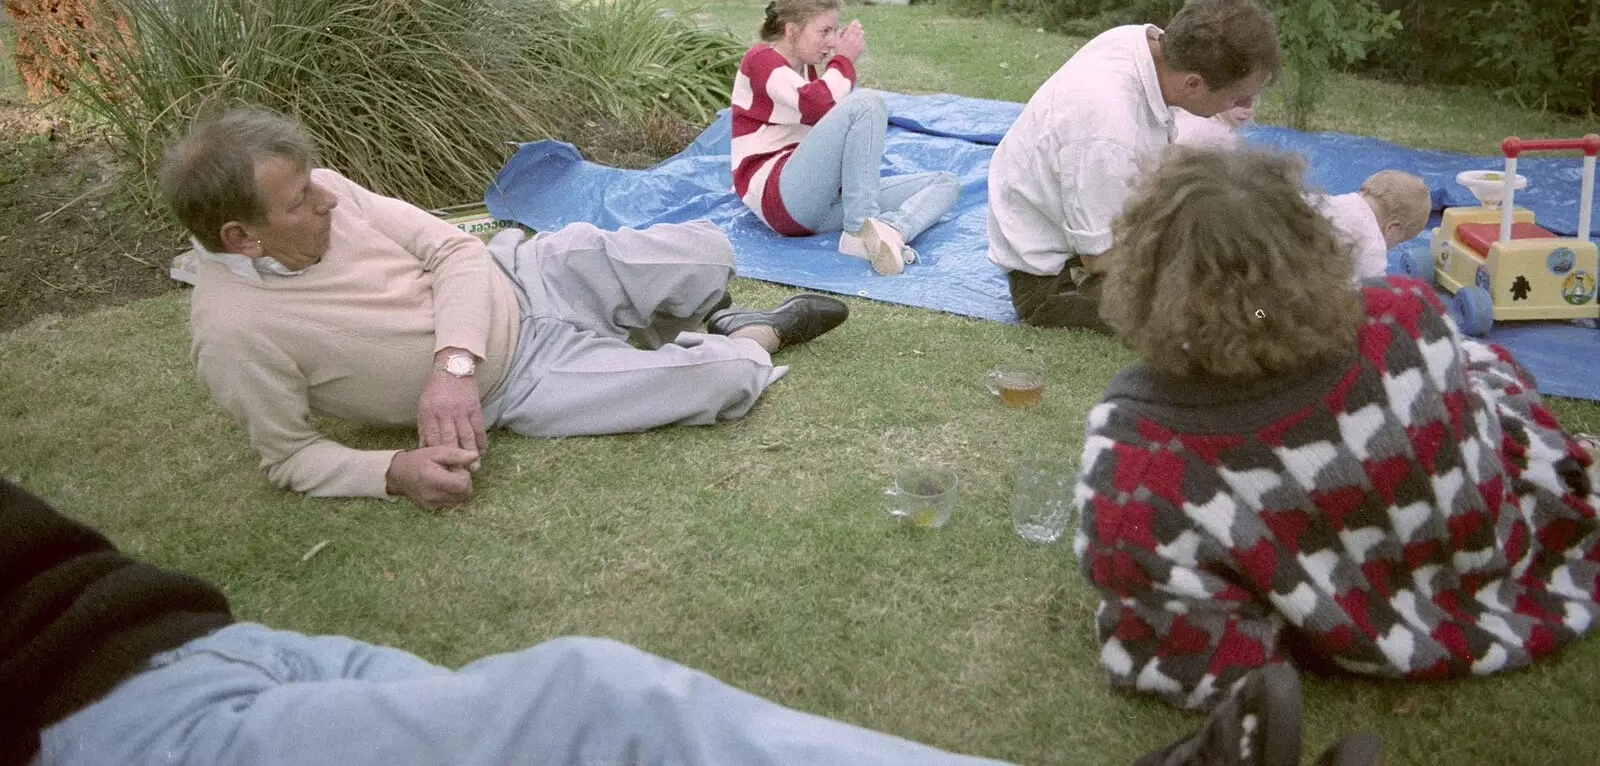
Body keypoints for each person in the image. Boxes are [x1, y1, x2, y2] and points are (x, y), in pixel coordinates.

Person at [5, 478, 1379, 766]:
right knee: (591, 701)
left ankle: (744, 346)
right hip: (110, 720)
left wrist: (456, 347)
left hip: (216, 638)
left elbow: (458, 263)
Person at [1074, 144, 1600, 716]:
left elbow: (1182, 648)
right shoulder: (1403, 314)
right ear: (1310, 238)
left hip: (1351, 621)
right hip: (1489, 558)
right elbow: (1479, 432)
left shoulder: (1136, 448)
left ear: (1142, 273)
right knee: (1488, 373)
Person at [160, 106, 850, 510]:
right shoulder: (233, 330)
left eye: (315, 183)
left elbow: (456, 253)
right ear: (242, 239)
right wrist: (392, 472)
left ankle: (679, 310)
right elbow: (290, 457)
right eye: (300, 203)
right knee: (724, 381)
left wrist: (451, 364)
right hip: (519, 380)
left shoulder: (326, 188)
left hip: (521, 273)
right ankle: (754, 332)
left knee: (703, 251)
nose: (328, 201)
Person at [987, 0, 1281, 332]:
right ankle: (1267, 324)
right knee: (1229, 306)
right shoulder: (1108, 131)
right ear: (1193, 84)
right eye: (1237, 97)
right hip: (1059, 285)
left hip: (1097, 242)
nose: (1241, 107)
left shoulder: (1141, 43)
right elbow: (1100, 258)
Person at [731, 0, 960, 275]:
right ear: (791, 30)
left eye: (834, 31)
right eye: (824, 31)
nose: (831, 41)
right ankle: (857, 230)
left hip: (818, 202)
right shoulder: (761, 60)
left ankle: (890, 232)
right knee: (866, 103)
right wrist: (844, 61)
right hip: (781, 198)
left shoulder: (806, 67)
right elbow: (816, 104)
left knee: (945, 182)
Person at [1310, 170, 1432, 280]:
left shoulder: (1337, 201)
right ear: (1393, 229)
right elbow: (1373, 291)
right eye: (1398, 242)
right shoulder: (1372, 244)